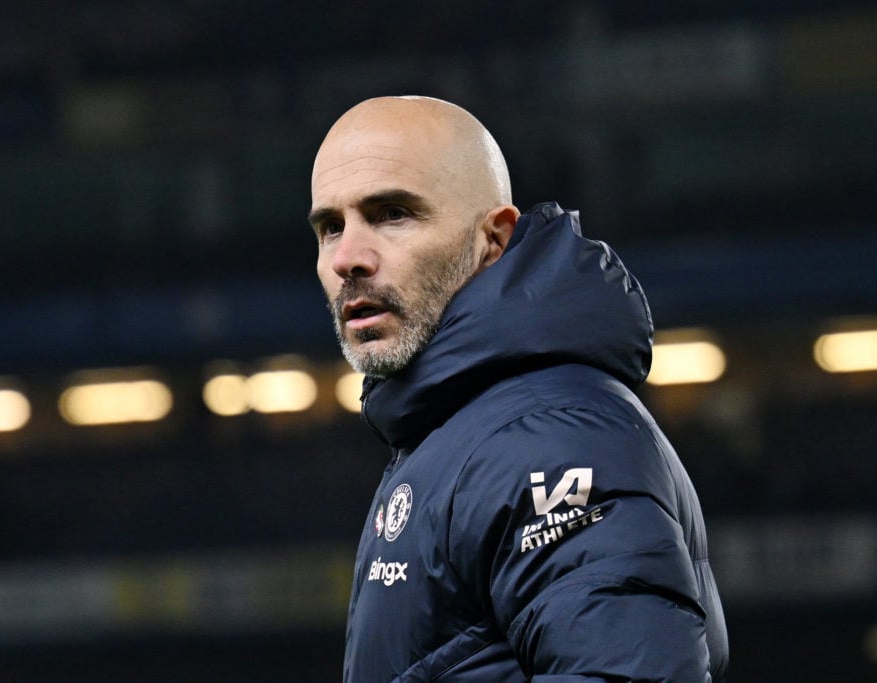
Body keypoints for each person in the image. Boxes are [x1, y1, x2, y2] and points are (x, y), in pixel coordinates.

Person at [308, 95, 728, 682]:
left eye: (392, 214)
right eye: (331, 227)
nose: (347, 258)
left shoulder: (547, 435)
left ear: (494, 240)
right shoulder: (461, 429)